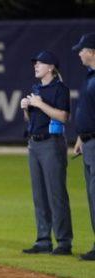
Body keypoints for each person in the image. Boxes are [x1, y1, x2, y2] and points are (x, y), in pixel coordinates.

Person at [20, 50, 73, 255]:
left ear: (51, 67)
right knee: (39, 195)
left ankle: (64, 242)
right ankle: (43, 240)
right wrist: (26, 108)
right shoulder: (36, 88)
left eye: (40, 63)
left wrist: (39, 103)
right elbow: (32, 120)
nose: (36, 66)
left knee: (56, 194)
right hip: (34, 143)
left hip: (52, 143)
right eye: (35, 63)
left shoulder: (60, 89)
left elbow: (63, 116)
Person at [71, 33, 95, 261]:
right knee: (92, 195)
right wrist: (82, 136)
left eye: (83, 49)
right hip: (88, 142)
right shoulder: (90, 77)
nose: (79, 53)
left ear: (93, 52)